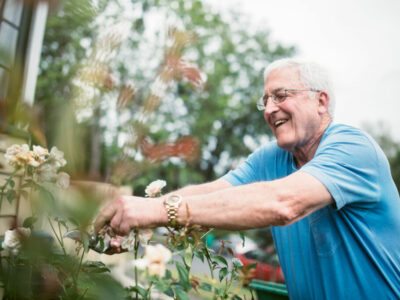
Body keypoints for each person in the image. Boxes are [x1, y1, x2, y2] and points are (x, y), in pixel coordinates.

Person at [95, 58, 400, 299]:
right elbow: (211, 194)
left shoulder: (352, 148)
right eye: (265, 100)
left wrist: (157, 211)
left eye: (281, 96)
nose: (269, 109)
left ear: (321, 101)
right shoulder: (272, 158)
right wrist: (136, 214)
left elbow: (283, 203)